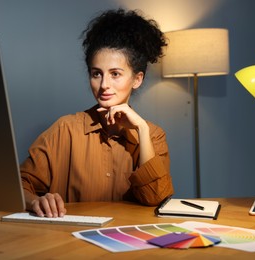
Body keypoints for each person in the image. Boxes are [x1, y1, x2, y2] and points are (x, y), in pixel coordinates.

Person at [20, 8, 174, 218]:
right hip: (71, 243)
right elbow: (18, 186)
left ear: (137, 79)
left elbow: (156, 199)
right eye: (96, 74)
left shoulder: (153, 135)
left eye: (115, 74)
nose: (104, 85)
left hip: (130, 243)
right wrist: (37, 201)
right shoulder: (65, 129)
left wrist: (141, 129)